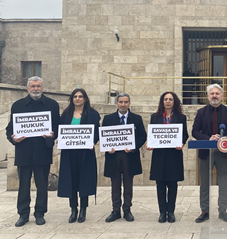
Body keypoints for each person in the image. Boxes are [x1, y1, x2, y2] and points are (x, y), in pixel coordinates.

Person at [5, 76, 60, 227]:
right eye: (33, 86)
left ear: (42, 87)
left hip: (43, 151)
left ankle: (40, 213)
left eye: (38, 86)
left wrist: (52, 135)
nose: (36, 89)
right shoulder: (18, 105)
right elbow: (10, 128)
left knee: (42, 185)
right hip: (24, 152)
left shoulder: (52, 105)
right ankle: (23, 214)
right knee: (23, 185)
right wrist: (13, 139)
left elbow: (57, 127)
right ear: (27, 88)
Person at [192, 83, 227, 223]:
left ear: (222, 96)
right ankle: (204, 210)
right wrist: (209, 138)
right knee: (205, 182)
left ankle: (223, 210)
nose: (214, 96)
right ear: (207, 96)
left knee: (223, 181)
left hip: (223, 152)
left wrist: (224, 139)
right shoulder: (201, 112)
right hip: (206, 152)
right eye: (212, 93)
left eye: (217, 93)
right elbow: (194, 131)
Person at [57, 88, 101, 223]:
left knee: (84, 180)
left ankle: (83, 209)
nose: (77, 98)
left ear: (85, 99)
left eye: (80, 96)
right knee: (71, 180)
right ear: (72, 99)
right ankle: (73, 209)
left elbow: (97, 132)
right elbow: (61, 131)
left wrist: (93, 142)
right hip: (69, 153)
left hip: (85, 153)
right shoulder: (65, 114)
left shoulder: (93, 114)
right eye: (75, 96)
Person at [103, 93, 147, 222]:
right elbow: (104, 136)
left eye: (126, 102)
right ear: (116, 103)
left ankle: (127, 209)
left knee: (128, 184)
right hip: (114, 156)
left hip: (129, 156)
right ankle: (115, 210)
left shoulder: (137, 119)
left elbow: (142, 137)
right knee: (115, 184)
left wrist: (133, 146)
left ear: (129, 103)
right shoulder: (108, 119)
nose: (123, 104)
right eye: (121, 102)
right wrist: (108, 148)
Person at [146, 92, 189, 223]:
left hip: (174, 155)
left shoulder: (181, 117)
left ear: (174, 101)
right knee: (160, 184)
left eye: (170, 99)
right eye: (166, 99)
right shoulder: (155, 117)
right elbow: (152, 134)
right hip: (159, 155)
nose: (168, 101)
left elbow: (185, 134)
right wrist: (150, 143)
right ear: (162, 101)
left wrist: (181, 143)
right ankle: (162, 212)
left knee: (172, 184)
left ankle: (171, 212)